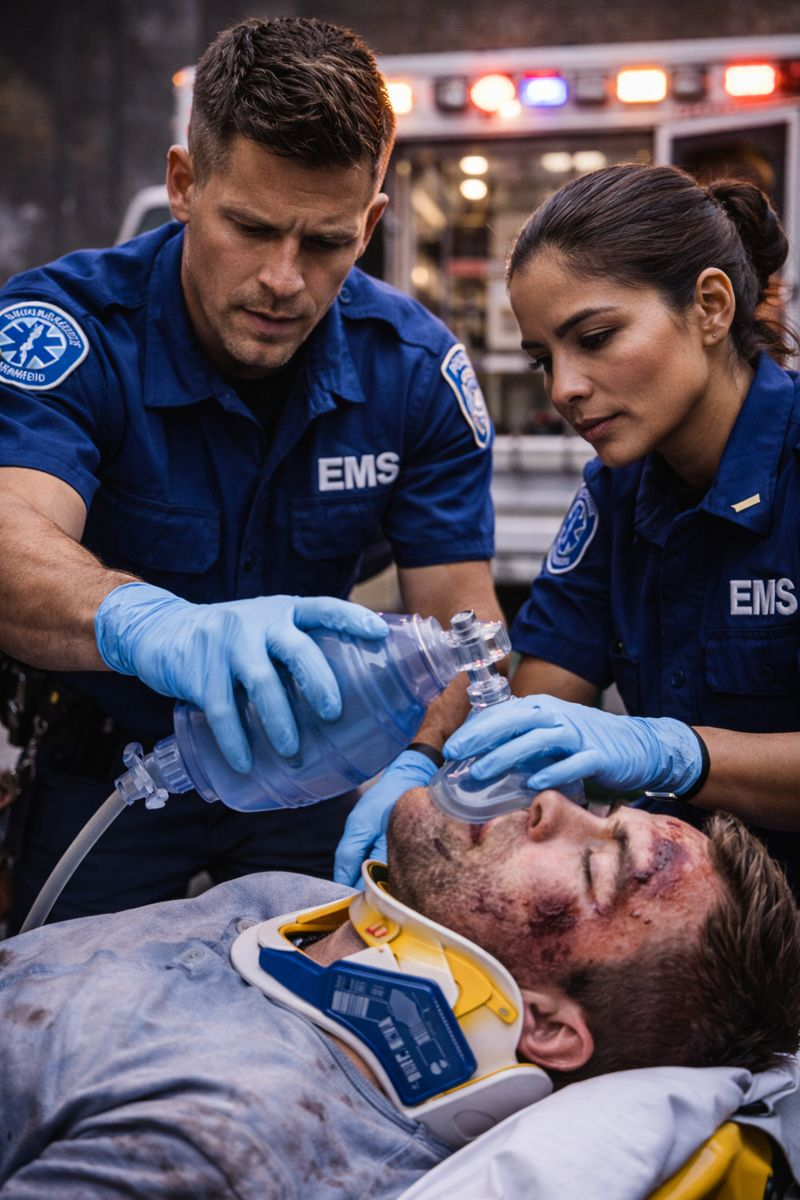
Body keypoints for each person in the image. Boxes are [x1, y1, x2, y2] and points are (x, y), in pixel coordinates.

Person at [0, 16, 502, 931]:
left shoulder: (412, 369)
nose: (283, 279)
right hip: (107, 772)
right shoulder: (71, 331)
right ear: (184, 185)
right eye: (251, 227)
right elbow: (9, 537)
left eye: (326, 242)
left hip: (316, 767)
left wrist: (420, 765)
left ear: (371, 223)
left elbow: (465, 626)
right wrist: (147, 624)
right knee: (55, 996)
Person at [1, 785, 798, 1198]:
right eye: (598, 814)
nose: (552, 804)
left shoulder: (231, 1145)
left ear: (549, 1029)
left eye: (594, 865)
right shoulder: (302, 908)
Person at [440, 162, 800, 897]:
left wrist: (677, 753)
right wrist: (443, 771)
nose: (565, 388)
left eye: (596, 337)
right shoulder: (619, 492)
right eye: (543, 361)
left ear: (710, 307)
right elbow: (545, 692)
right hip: (673, 915)